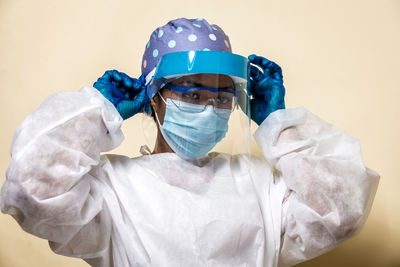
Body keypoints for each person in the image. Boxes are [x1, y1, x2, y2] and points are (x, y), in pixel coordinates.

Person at [0, 18, 379, 267]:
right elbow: (31, 190)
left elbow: (339, 214)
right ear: (155, 98)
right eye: (193, 95)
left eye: (222, 98)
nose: (211, 109)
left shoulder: (257, 182)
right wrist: (96, 111)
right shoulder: (113, 188)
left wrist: (278, 123)